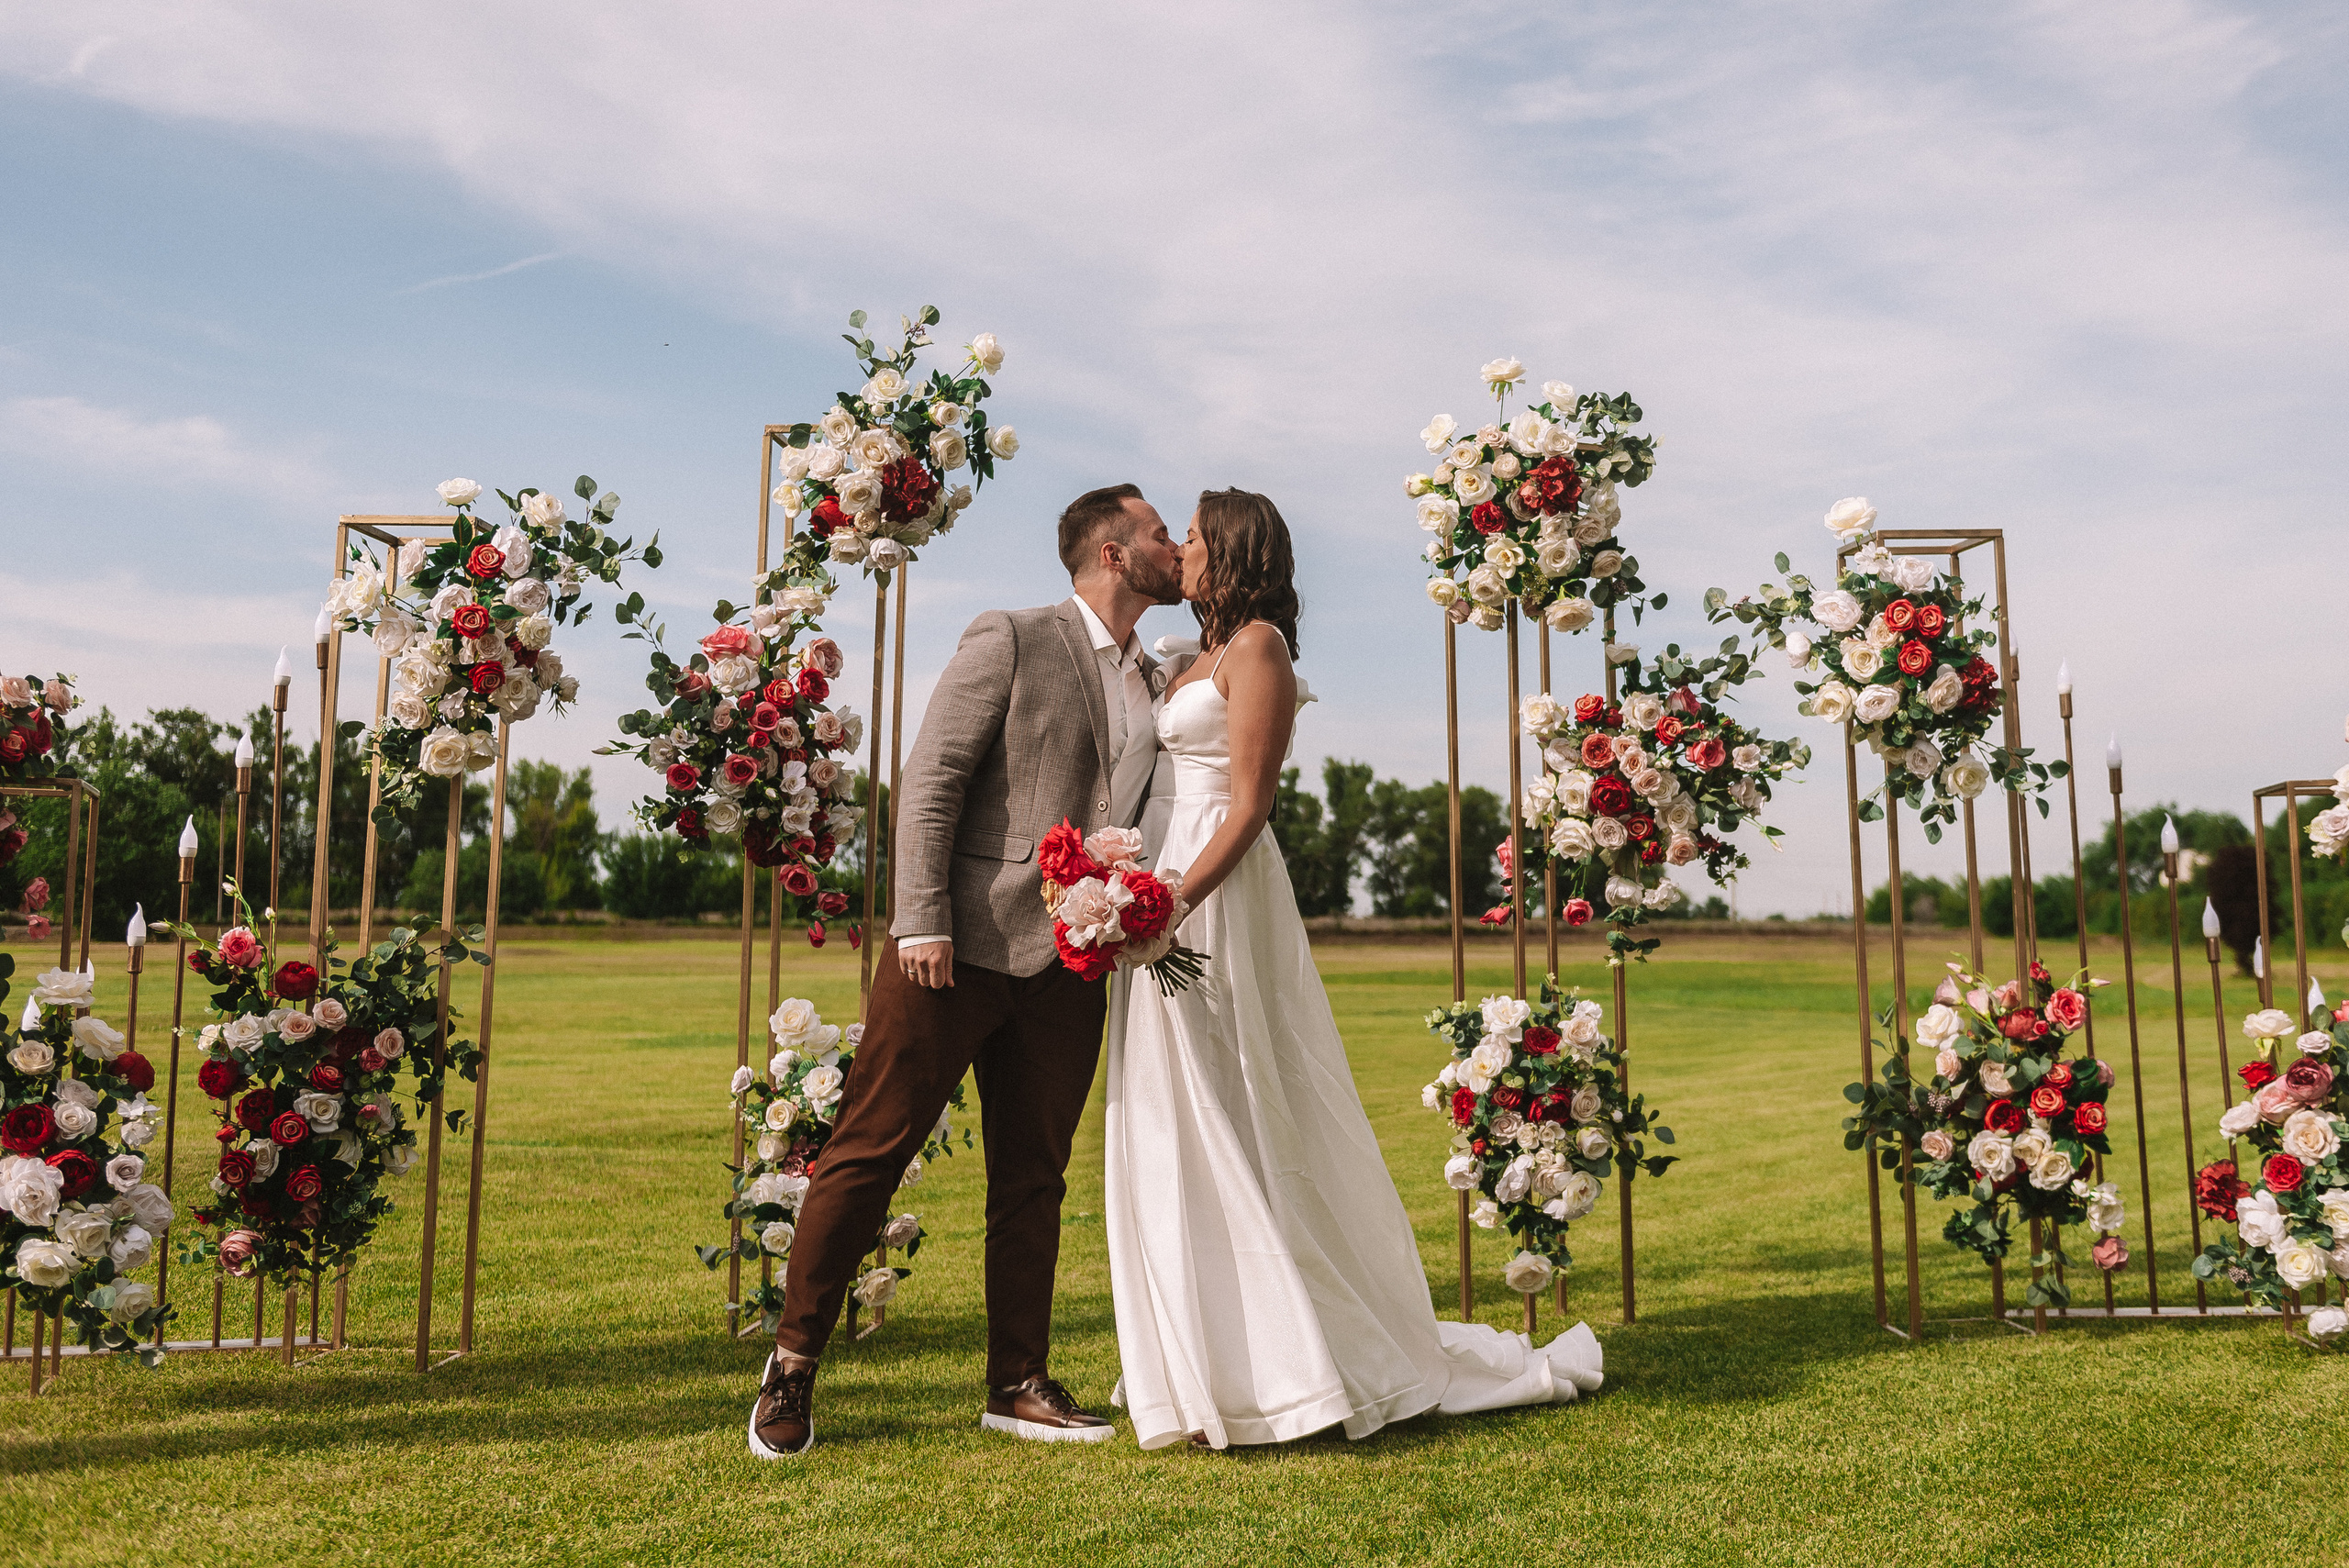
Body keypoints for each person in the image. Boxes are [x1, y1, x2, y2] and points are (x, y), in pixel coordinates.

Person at [1104, 487, 1604, 1451]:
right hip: (1159, 875)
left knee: (1237, 1092)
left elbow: (1249, 805)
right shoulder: (1193, 655)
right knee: (1172, 1102)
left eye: (1195, 538)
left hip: (1214, 887)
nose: (1182, 551)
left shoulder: (1259, 649)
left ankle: (1288, 1361)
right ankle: (1203, 1353)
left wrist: (1173, 902)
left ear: (1233, 549)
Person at [748, 483, 1186, 1457]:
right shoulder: (1013, 635)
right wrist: (920, 918)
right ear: (1113, 553)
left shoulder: (1158, 677)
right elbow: (933, 777)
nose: (1176, 547)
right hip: (955, 949)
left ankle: (1016, 1381)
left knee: (1033, 1177)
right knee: (869, 1151)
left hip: (1073, 961)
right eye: (1161, 533)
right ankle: (792, 1364)